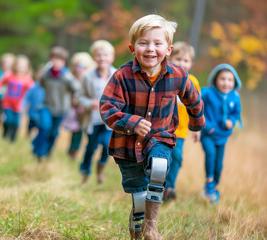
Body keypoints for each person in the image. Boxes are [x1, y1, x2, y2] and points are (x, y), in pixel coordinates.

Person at [99, 14, 205, 239]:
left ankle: (152, 225)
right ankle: (137, 231)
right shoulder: (121, 76)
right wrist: (132, 122)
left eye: (157, 43)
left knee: (159, 167)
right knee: (138, 198)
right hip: (127, 146)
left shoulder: (178, 75)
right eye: (143, 43)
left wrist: (197, 124)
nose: (150, 49)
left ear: (168, 49)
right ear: (132, 47)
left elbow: (193, 99)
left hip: (160, 138)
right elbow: (107, 108)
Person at [163, 42, 202, 202]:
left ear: (191, 63)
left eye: (186, 61)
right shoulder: (165, 77)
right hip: (161, 128)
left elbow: (196, 108)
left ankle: (169, 187)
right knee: (160, 158)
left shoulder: (192, 81)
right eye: (178, 59)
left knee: (177, 157)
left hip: (180, 131)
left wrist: (197, 129)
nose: (181, 63)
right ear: (170, 58)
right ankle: (155, 184)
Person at [200, 64, 242, 204]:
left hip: (222, 136)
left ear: (234, 82)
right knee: (210, 154)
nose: (226, 83)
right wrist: (207, 126)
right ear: (215, 80)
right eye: (222, 79)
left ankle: (213, 187)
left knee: (219, 164)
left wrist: (232, 120)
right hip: (208, 133)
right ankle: (210, 184)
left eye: (230, 80)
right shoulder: (207, 93)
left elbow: (236, 112)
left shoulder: (234, 96)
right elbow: (198, 108)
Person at [77, 42, 116, 184]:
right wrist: (90, 103)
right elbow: (80, 96)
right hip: (92, 119)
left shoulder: (116, 75)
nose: (102, 58)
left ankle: (100, 168)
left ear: (111, 57)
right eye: (99, 55)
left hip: (109, 120)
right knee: (91, 147)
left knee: (108, 145)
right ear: (94, 57)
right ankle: (85, 173)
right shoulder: (88, 76)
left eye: (105, 55)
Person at [32, 46, 79, 161]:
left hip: (61, 109)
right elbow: (42, 84)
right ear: (50, 59)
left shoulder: (67, 77)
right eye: (54, 59)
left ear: (64, 62)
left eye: (60, 60)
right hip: (46, 106)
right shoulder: (45, 74)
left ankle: (48, 151)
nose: (56, 62)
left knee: (53, 132)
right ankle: (39, 152)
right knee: (44, 127)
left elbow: (77, 89)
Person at [62, 52, 96, 160]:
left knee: (83, 131)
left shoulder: (90, 80)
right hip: (72, 110)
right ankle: (72, 151)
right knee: (76, 131)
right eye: (78, 65)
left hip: (86, 110)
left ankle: (77, 151)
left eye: (83, 66)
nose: (80, 69)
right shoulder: (69, 79)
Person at [0, 55, 34, 142]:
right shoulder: (9, 75)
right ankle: (5, 134)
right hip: (7, 103)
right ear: (15, 65)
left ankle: (12, 138)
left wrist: (30, 102)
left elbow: (32, 91)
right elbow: (0, 82)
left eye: (23, 66)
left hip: (19, 105)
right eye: (19, 65)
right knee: (8, 120)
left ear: (27, 68)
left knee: (15, 122)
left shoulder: (27, 79)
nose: (21, 68)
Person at [0, 53, 15, 132]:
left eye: (9, 62)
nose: (6, 64)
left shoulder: (13, 74)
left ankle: (6, 129)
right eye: (5, 62)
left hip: (10, 99)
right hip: (0, 98)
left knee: (7, 115)